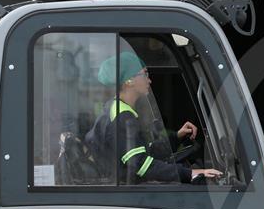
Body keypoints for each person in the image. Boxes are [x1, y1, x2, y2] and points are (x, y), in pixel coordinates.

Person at [84, 51, 223, 184]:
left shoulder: (117, 109)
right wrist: (191, 173)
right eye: (145, 74)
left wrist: (176, 136)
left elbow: (146, 150)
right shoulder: (122, 117)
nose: (149, 80)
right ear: (129, 80)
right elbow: (142, 165)